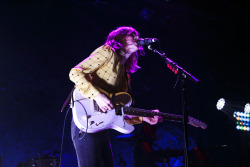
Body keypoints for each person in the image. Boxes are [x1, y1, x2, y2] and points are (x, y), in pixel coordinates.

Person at [69, 26, 161, 167]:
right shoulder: (107, 52)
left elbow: (118, 111)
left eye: (137, 36)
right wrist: (98, 96)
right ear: (120, 38)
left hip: (101, 126)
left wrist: (143, 118)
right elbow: (75, 73)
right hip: (85, 121)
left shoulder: (125, 77)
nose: (137, 38)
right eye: (132, 35)